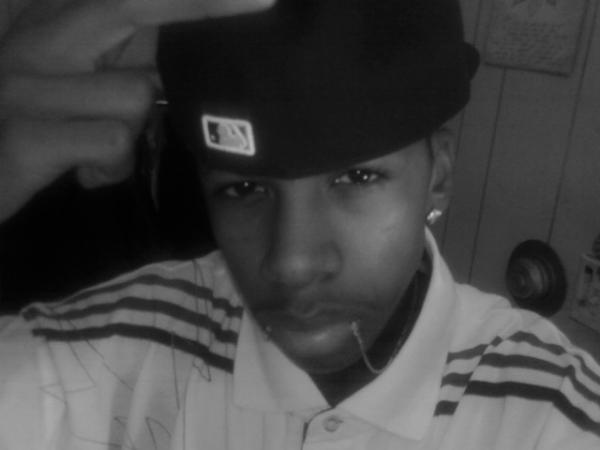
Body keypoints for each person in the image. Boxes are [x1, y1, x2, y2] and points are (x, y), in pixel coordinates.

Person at [0, 0, 599, 449]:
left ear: (438, 175)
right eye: (243, 189)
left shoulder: (552, 416)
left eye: (357, 178)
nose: (292, 261)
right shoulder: (110, 355)